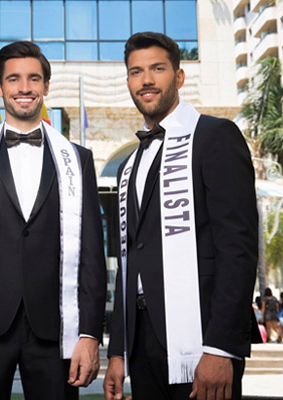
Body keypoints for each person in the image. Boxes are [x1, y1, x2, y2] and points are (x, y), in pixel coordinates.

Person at [0, 41, 106, 399]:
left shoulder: (77, 159)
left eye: (33, 78)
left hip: (57, 329)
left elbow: (93, 253)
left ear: (46, 86)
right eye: (13, 79)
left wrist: (90, 334)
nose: (24, 87)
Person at [104, 32, 259, 400]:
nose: (146, 80)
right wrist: (118, 351)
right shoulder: (128, 165)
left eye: (157, 69)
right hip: (143, 343)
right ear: (128, 81)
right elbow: (129, 260)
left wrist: (221, 347)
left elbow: (237, 248)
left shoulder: (215, 136)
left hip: (202, 340)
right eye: (136, 72)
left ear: (179, 76)